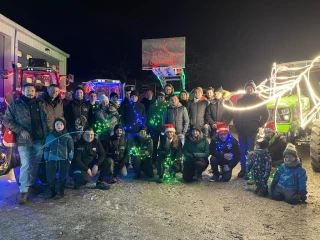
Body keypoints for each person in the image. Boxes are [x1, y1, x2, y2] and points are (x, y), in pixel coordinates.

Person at [3, 83, 48, 204]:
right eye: (28, 90)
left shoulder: (39, 103)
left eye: (32, 90)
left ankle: (31, 184)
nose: (30, 92)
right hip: (24, 141)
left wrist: (46, 134)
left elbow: (44, 119)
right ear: (23, 91)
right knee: (26, 164)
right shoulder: (15, 104)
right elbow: (7, 120)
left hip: (39, 139)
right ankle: (23, 191)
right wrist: (20, 130)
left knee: (35, 164)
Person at [233, 80, 269, 178]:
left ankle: (250, 170)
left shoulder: (258, 101)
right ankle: (243, 169)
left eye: (251, 88)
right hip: (241, 129)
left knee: (250, 151)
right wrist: (236, 125)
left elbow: (266, 114)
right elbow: (235, 114)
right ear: (245, 89)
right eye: (248, 88)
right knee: (242, 150)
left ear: (254, 89)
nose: (249, 89)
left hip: (252, 131)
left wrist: (259, 124)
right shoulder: (240, 101)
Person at [44, 118, 74, 199]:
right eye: (57, 124)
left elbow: (71, 149)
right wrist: (46, 157)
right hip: (51, 159)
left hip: (63, 159)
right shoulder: (50, 136)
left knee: (62, 176)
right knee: (50, 176)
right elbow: (46, 147)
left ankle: (60, 191)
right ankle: (51, 190)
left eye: (61, 124)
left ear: (64, 126)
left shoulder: (68, 137)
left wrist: (70, 158)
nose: (59, 126)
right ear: (54, 126)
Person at [147, 91, 169, 166]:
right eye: (159, 97)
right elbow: (149, 116)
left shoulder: (167, 106)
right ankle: (153, 161)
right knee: (154, 145)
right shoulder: (153, 106)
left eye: (162, 97)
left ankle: (163, 162)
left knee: (164, 146)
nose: (160, 98)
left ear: (164, 98)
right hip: (154, 128)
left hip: (164, 129)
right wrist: (149, 127)